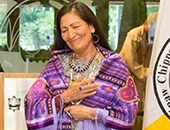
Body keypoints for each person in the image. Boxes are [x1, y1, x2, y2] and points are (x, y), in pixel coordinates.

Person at [24, 2, 139, 130]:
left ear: (91, 27)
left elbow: (128, 115)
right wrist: (64, 98)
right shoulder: (55, 66)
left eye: (76, 26)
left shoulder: (115, 66)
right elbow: (31, 109)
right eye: (64, 30)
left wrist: (92, 114)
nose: (71, 35)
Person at [119, 12, 157, 112]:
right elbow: (131, 62)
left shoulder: (154, 37)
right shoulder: (134, 35)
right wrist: (149, 74)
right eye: (155, 27)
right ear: (148, 25)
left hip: (142, 78)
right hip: (128, 76)